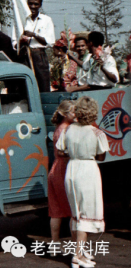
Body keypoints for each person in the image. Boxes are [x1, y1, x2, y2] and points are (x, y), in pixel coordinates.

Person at [56, 96, 109, 268]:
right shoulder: (97, 133)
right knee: (85, 215)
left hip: (72, 169)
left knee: (76, 213)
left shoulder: (69, 129)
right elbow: (101, 155)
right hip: (88, 170)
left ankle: (78, 251)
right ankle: (78, 256)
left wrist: (74, 152)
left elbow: (60, 150)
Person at [47, 100, 75, 243]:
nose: (75, 114)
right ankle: (77, 247)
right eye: (73, 111)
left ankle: (54, 244)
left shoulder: (59, 127)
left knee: (56, 212)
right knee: (73, 211)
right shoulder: (68, 129)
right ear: (65, 114)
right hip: (64, 168)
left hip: (55, 169)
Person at [19, 0, 55, 92]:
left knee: (42, 85)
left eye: (36, 4)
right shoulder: (21, 20)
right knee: (24, 87)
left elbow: (49, 42)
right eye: (30, 3)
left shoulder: (46, 20)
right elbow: (14, 43)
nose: (33, 6)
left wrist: (34, 35)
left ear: (40, 5)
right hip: (24, 55)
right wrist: (21, 40)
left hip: (39, 56)